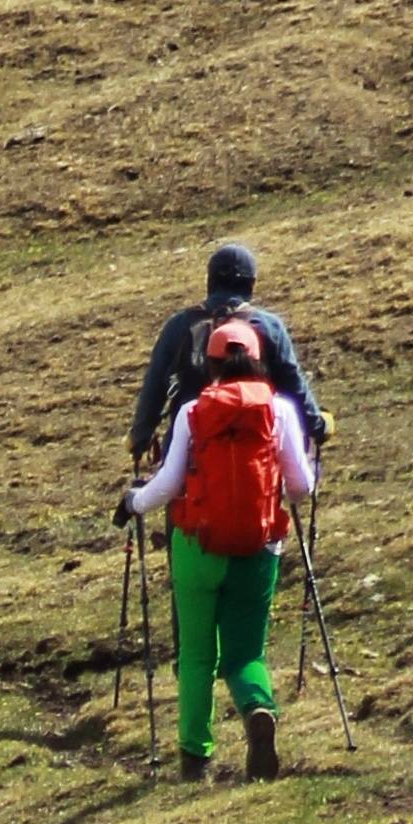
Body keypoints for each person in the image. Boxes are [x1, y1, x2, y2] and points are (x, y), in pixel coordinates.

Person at [120, 317, 316, 778]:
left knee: (196, 656)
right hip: (258, 547)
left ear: (209, 365)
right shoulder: (280, 410)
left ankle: (195, 756)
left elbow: (168, 484)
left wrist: (134, 502)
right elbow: (301, 488)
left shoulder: (193, 411)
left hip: (198, 548)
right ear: (259, 361)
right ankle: (257, 709)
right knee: (245, 654)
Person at [131, 241, 326, 464]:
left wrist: (140, 438)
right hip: (257, 459)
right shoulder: (270, 327)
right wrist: (318, 426)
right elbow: (293, 386)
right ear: (250, 284)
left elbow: (154, 388)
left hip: (188, 456)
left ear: (210, 280)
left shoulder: (178, 326)